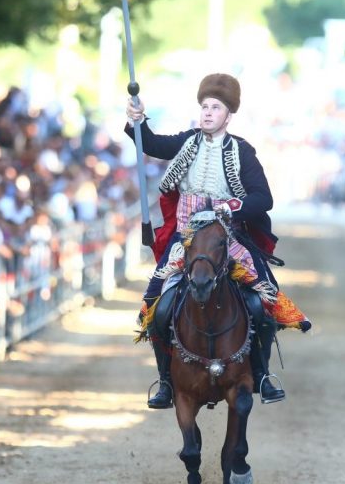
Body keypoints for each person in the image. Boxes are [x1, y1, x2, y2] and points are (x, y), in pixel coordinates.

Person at [124, 73, 309, 408]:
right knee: (156, 302)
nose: (207, 112)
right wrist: (137, 119)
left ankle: (263, 375)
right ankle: (166, 381)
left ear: (228, 115)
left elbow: (262, 198)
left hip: (227, 237)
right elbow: (150, 144)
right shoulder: (187, 141)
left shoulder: (242, 151)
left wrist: (230, 206)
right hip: (186, 238)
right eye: (204, 106)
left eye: (215, 108)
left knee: (264, 298)